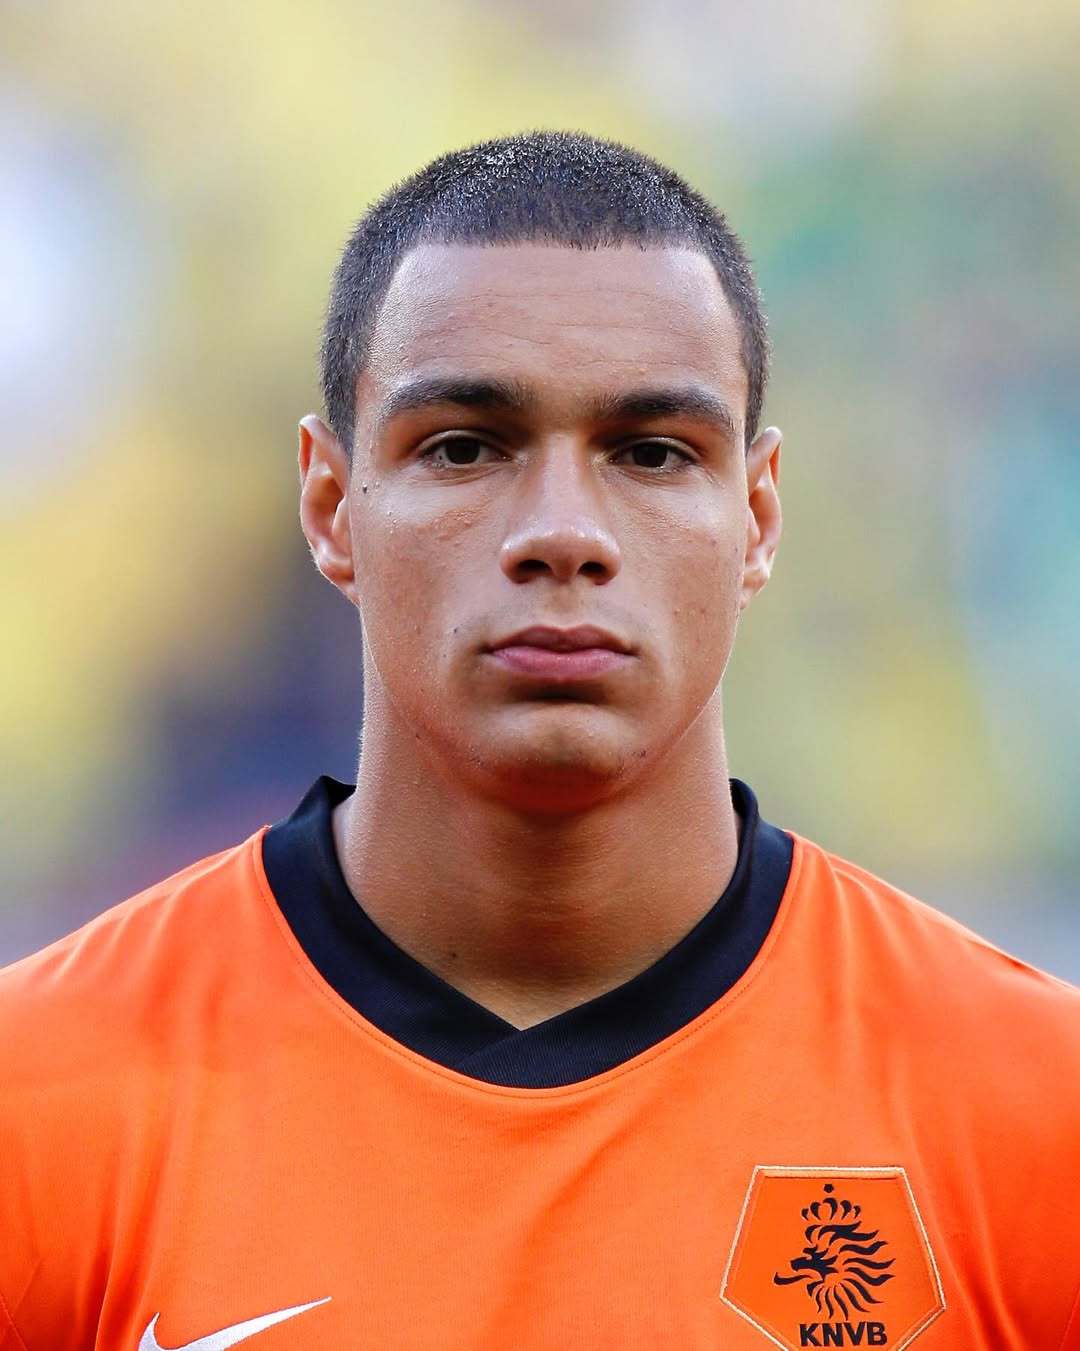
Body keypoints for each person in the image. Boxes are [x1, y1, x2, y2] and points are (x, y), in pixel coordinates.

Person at [1, 132, 1077, 1351]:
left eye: (652, 453)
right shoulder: (37, 1102)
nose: (563, 533)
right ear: (331, 505)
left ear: (757, 515)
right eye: (464, 445)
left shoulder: (1040, 1111)